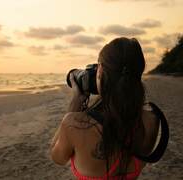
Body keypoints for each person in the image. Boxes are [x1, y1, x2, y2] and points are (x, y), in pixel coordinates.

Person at [49, 37, 160, 179]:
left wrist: (76, 102)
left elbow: (57, 157)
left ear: (100, 71)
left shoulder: (74, 124)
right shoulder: (151, 120)